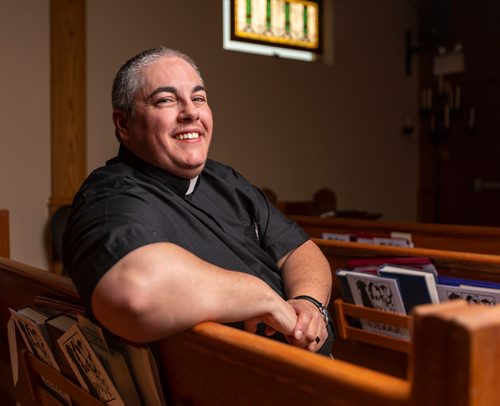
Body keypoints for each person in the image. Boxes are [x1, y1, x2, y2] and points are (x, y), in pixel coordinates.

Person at [62, 46, 334, 355]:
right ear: (124, 124)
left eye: (198, 98)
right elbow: (135, 292)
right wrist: (259, 294)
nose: (191, 112)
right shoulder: (110, 196)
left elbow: (299, 250)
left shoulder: (226, 180)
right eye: (165, 100)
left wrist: (308, 302)